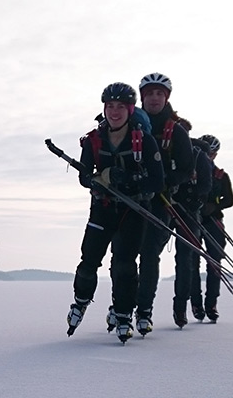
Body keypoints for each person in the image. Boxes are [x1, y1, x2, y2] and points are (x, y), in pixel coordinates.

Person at [66, 82, 165, 343]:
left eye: (121, 106)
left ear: (130, 109)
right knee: (89, 261)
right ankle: (80, 300)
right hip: (102, 209)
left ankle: (123, 314)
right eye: (110, 106)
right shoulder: (92, 141)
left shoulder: (144, 141)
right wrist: (97, 180)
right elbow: (84, 177)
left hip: (133, 211)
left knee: (124, 265)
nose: (115, 112)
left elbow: (157, 181)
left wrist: (128, 181)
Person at [124, 72, 194, 335]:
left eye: (159, 94)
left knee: (149, 255)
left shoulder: (175, 130)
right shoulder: (128, 124)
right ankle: (122, 306)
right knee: (124, 254)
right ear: (142, 97)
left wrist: (164, 181)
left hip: (161, 203)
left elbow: (187, 169)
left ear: (166, 98)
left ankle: (144, 310)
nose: (154, 98)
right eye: (150, 94)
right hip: (131, 199)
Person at [169, 130, 213, 328]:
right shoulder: (169, 149)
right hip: (167, 207)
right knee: (150, 255)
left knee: (186, 260)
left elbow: (205, 186)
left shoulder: (198, 156)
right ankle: (180, 309)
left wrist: (196, 202)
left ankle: (182, 308)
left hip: (189, 212)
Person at [190, 134, 233, 322]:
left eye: (211, 153)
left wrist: (215, 206)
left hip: (213, 221)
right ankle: (196, 303)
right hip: (193, 219)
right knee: (192, 263)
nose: (208, 156)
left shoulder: (221, 176)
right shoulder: (191, 173)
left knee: (215, 264)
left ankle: (211, 304)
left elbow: (230, 200)